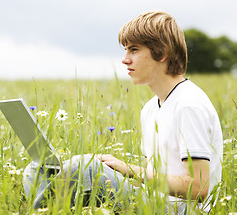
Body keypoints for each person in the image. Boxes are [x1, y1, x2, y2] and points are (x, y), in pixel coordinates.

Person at [23, 11, 223, 214]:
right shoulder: (150, 109)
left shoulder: (189, 105)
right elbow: (151, 178)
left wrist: (128, 170)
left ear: (162, 53)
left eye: (134, 50)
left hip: (180, 210)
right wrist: (115, 173)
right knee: (36, 170)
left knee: (86, 167)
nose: (125, 60)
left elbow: (200, 188)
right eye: (126, 50)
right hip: (152, 201)